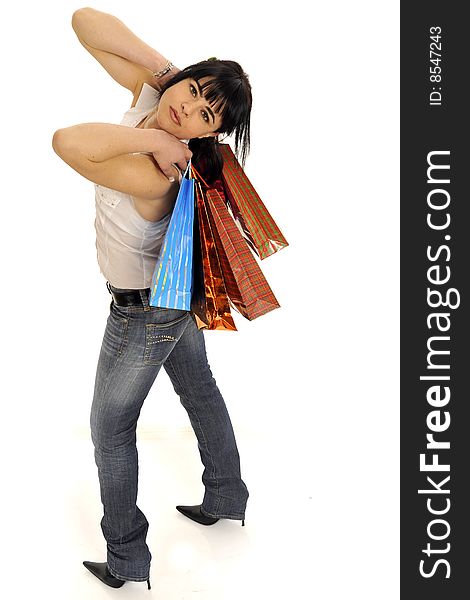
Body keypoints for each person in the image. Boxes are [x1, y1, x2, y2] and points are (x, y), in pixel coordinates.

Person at [52, 7, 251, 591]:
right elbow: (85, 21)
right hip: (172, 295)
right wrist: (165, 76)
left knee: (110, 429)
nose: (187, 108)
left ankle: (127, 560)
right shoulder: (162, 106)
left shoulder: (160, 172)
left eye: (205, 114)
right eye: (192, 90)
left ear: (210, 134)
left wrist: (154, 137)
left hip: (143, 312)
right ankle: (227, 495)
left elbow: (68, 142)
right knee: (199, 387)